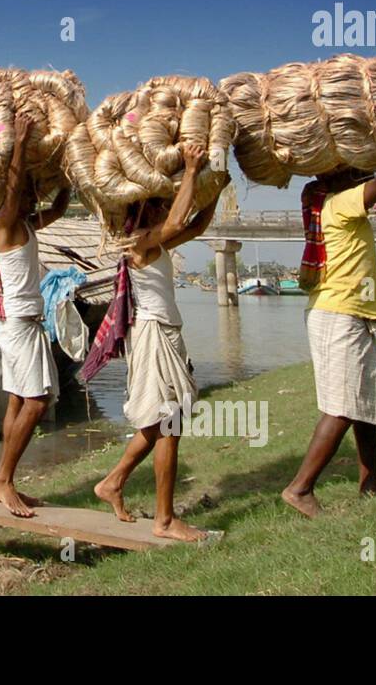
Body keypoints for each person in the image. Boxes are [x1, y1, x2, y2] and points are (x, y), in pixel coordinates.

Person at [282, 86, 376, 518]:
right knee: (342, 406)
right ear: (333, 177)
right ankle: (300, 488)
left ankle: (370, 481)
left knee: (366, 403)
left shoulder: (329, 203)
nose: (358, 172)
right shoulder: (341, 205)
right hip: (338, 314)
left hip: (346, 313)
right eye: (348, 168)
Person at [91, 143, 221, 542]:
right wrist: (194, 168)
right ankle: (165, 520)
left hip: (165, 333)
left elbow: (194, 226)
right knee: (169, 423)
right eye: (162, 205)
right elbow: (181, 216)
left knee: (162, 422)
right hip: (153, 334)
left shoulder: (157, 243)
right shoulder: (138, 243)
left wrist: (214, 191)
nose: (169, 210)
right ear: (148, 210)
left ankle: (112, 482)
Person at [0, 113, 71, 518]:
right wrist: (18, 144)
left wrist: (70, 164)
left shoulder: (28, 226)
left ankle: (4, 481)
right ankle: (2, 479)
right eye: (26, 191)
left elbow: (61, 205)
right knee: (37, 402)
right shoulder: (5, 223)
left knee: (19, 400)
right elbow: (15, 185)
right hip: (19, 325)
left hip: (19, 324)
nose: (31, 195)